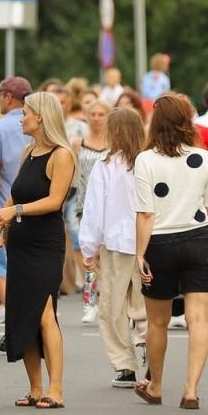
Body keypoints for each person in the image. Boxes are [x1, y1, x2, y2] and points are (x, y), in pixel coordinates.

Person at [131, 94, 208, 409]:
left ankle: (155, 385)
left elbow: (145, 214)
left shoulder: (145, 160)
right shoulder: (204, 158)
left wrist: (139, 254)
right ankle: (191, 389)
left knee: (157, 322)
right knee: (198, 319)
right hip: (198, 238)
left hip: (160, 242)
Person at [0, 91, 74, 409]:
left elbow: (54, 201)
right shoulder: (28, 151)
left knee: (44, 311)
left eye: (25, 113)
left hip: (46, 243)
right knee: (23, 312)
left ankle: (56, 389)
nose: (21, 118)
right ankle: (35, 388)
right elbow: (14, 195)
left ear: (41, 117)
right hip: (20, 242)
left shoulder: (62, 154)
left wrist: (15, 211)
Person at [79, 106, 146, 387]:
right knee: (146, 303)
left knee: (112, 307)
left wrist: (88, 247)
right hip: (146, 242)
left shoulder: (105, 165)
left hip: (115, 243)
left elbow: (94, 209)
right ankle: (150, 348)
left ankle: (124, 364)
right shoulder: (149, 162)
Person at [0, 76, 32, 316]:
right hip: (35, 205)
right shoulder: (37, 123)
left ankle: (14, 313)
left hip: (5, 203)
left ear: (9, 97)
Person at [67, 97, 110, 321]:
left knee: (108, 254)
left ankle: (107, 298)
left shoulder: (114, 142)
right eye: (92, 114)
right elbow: (70, 173)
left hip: (110, 205)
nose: (96, 119)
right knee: (88, 254)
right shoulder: (77, 143)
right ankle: (90, 302)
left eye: (101, 114)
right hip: (84, 203)